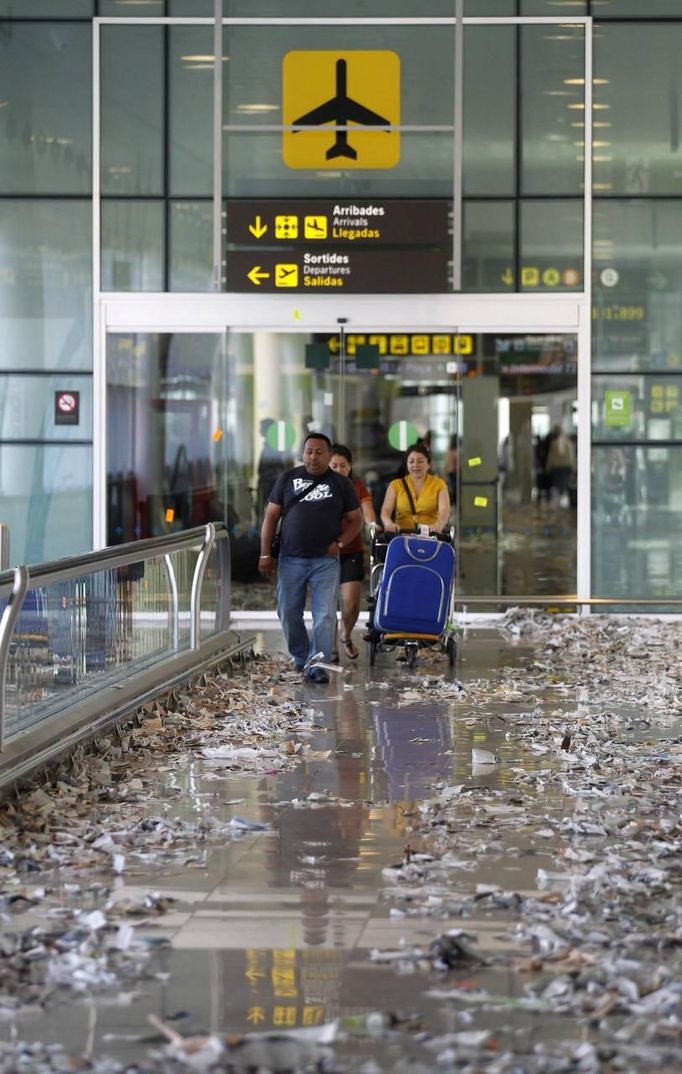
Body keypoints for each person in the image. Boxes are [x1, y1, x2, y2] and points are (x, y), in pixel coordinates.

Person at [258, 433, 362, 683]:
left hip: (324, 562)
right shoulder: (287, 479)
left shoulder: (341, 484)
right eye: (309, 451)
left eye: (318, 452)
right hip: (290, 559)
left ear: (328, 455)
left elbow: (356, 520)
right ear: (303, 453)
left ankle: (317, 665)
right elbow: (271, 517)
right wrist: (265, 554)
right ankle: (301, 657)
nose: (313, 456)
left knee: (325, 615)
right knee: (288, 612)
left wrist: (340, 543)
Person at [329, 444, 376, 661]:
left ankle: (345, 635)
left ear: (350, 467)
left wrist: (373, 525)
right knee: (327, 604)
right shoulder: (321, 485)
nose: (338, 469)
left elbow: (367, 511)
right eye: (334, 465)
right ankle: (331, 648)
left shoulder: (357, 486)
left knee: (351, 602)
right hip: (325, 552)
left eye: (343, 466)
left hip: (351, 551)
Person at [380, 442, 451, 534]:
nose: (415, 465)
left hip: (430, 537)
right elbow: (385, 511)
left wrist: (439, 524)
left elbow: (444, 510)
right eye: (411, 461)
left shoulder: (439, 484)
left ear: (429, 464)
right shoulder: (395, 485)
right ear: (407, 464)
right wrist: (388, 523)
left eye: (420, 461)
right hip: (402, 537)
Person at [545, 423, 575, 507]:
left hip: (558, 466)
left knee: (559, 484)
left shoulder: (555, 443)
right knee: (563, 484)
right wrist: (573, 466)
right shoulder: (568, 443)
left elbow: (551, 456)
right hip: (565, 466)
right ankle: (562, 499)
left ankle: (561, 500)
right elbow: (571, 456)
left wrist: (548, 466)